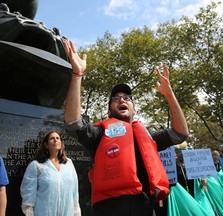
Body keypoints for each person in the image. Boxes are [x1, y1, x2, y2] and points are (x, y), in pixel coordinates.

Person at [63, 40, 189, 216]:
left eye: (127, 98)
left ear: (134, 109)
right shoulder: (99, 133)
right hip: (109, 209)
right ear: (109, 111)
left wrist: (169, 95)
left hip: (145, 208)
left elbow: (181, 133)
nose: (122, 100)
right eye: (116, 99)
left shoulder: (147, 135)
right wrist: (77, 74)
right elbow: (72, 123)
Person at [20, 131, 81, 216]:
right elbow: (28, 195)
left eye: (57, 138)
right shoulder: (37, 165)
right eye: (52, 138)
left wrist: (76, 213)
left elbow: (75, 192)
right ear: (46, 145)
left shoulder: (68, 164)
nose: (55, 140)